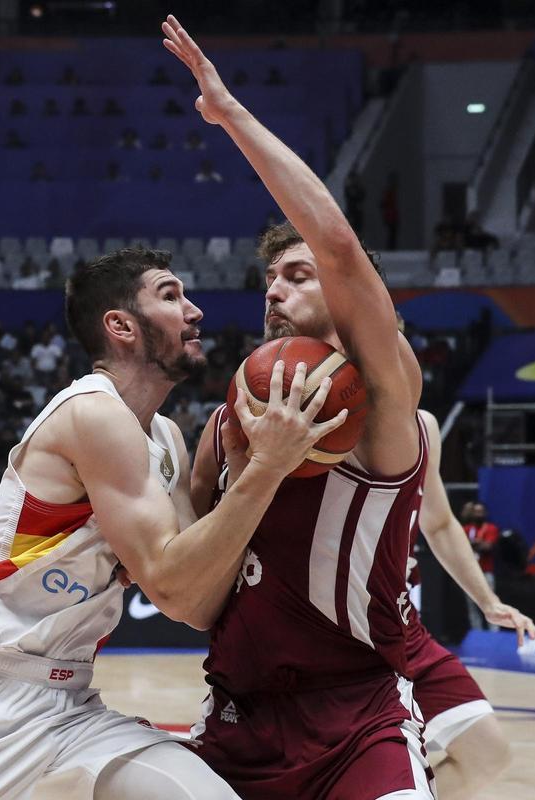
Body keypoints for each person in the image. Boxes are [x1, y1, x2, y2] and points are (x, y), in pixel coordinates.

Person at [0, 246, 341, 799]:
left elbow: (199, 605)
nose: (195, 311)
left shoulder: (165, 435)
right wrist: (267, 468)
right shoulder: (92, 412)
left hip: (71, 703)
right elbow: (173, 587)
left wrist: (244, 465)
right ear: (121, 325)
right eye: (171, 296)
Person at [164, 16, 431, 797]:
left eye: (297, 274)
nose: (276, 288)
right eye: (271, 278)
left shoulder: (385, 395)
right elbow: (192, 581)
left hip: (358, 718)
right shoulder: (222, 420)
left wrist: (228, 114)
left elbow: (342, 250)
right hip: (238, 719)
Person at [397, 413, 535, 799]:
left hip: (400, 625)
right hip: (333, 627)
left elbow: (440, 523)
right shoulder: (318, 414)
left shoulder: (422, 425)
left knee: (485, 753)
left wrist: (488, 601)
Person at [462, 501, 500, 632]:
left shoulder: (491, 528)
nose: (478, 514)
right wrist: (477, 543)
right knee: (472, 606)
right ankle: (477, 633)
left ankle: (494, 634)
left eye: (481, 512)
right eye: (476, 512)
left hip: (485, 572)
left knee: (491, 604)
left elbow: (487, 547)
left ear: (485, 513)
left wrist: (472, 543)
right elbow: (460, 546)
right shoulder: (467, 529)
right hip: (470, 574)